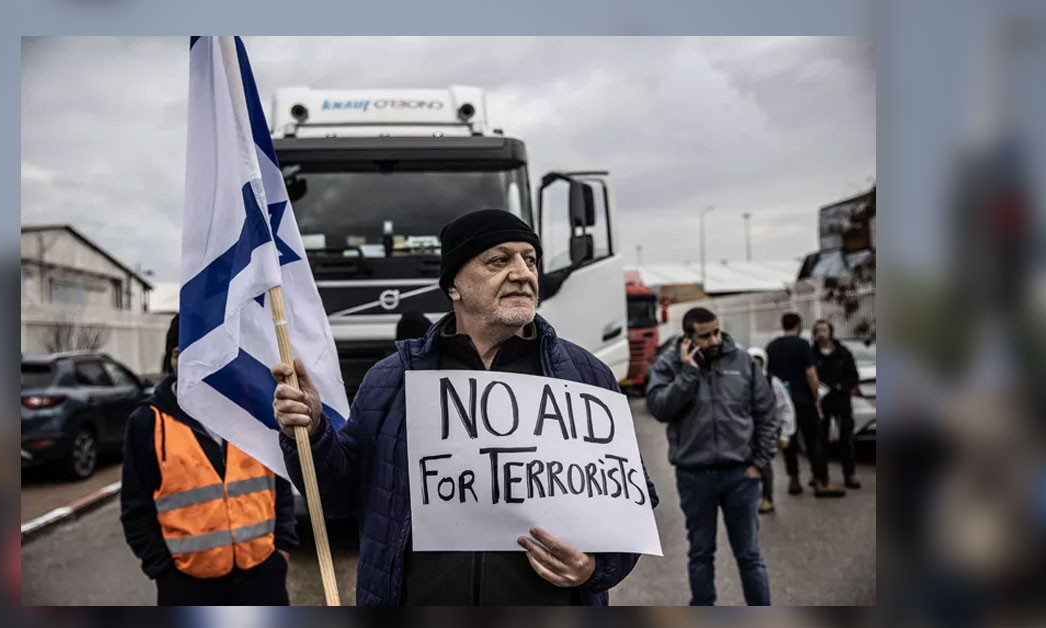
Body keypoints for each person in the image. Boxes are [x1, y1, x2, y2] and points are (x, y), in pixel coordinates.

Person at [271, 209, 656, 606]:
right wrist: (314, 433)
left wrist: (596, 568)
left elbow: (631, 501)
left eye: (531, 260)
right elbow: (336, 497)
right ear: (454, 284)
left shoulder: (584, 375)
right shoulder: (391, 380)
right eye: (500, 260)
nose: (523, 273)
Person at [121, 315, 299, 605]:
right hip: (188, 587)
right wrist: (164, 573)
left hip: (262, 579)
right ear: (173, 359)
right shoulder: (148, 423)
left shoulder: (255, 411)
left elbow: (279, 483)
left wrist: (282, 551)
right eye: (184, 353)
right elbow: (135, 509)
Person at [646, 307, 776, 606]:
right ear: (689, 338)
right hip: (695, 477)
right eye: (705, 336)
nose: (715, 339)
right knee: (701, 554)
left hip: (741, 476)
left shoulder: (742, 361)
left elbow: (766, 412)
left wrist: (759, 464)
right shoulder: (670, 364)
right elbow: (659, 407)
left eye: (716, 332)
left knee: (750, 556)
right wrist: (687, 373)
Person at [765, 313, 844, 498]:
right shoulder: (802, 346)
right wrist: (816, 396)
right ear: (799, 325)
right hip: (803, 400)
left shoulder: (772, 346)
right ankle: (820, 480)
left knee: (788, 440)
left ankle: (794, 478)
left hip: (782, 402)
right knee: (813, 441)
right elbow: (811, 373)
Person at [812, 320, 862, 489]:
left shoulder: (843, 353)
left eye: (824, 330)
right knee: (820, 440)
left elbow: (853, 376)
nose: (821, 333)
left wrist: (842, 386)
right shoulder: (812, 353)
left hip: (841, 400)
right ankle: (820, 475)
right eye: (818, 330)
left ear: (831, 332)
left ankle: (849, 474)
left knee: (845, 439)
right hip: (821, 401)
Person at [747, 347, 796, 514]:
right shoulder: (740, 381)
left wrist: (785, 433)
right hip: (744, 433)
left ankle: (767, 498)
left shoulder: (772, 382)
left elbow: (785, 408)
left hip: (765, 431)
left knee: (764, 463)